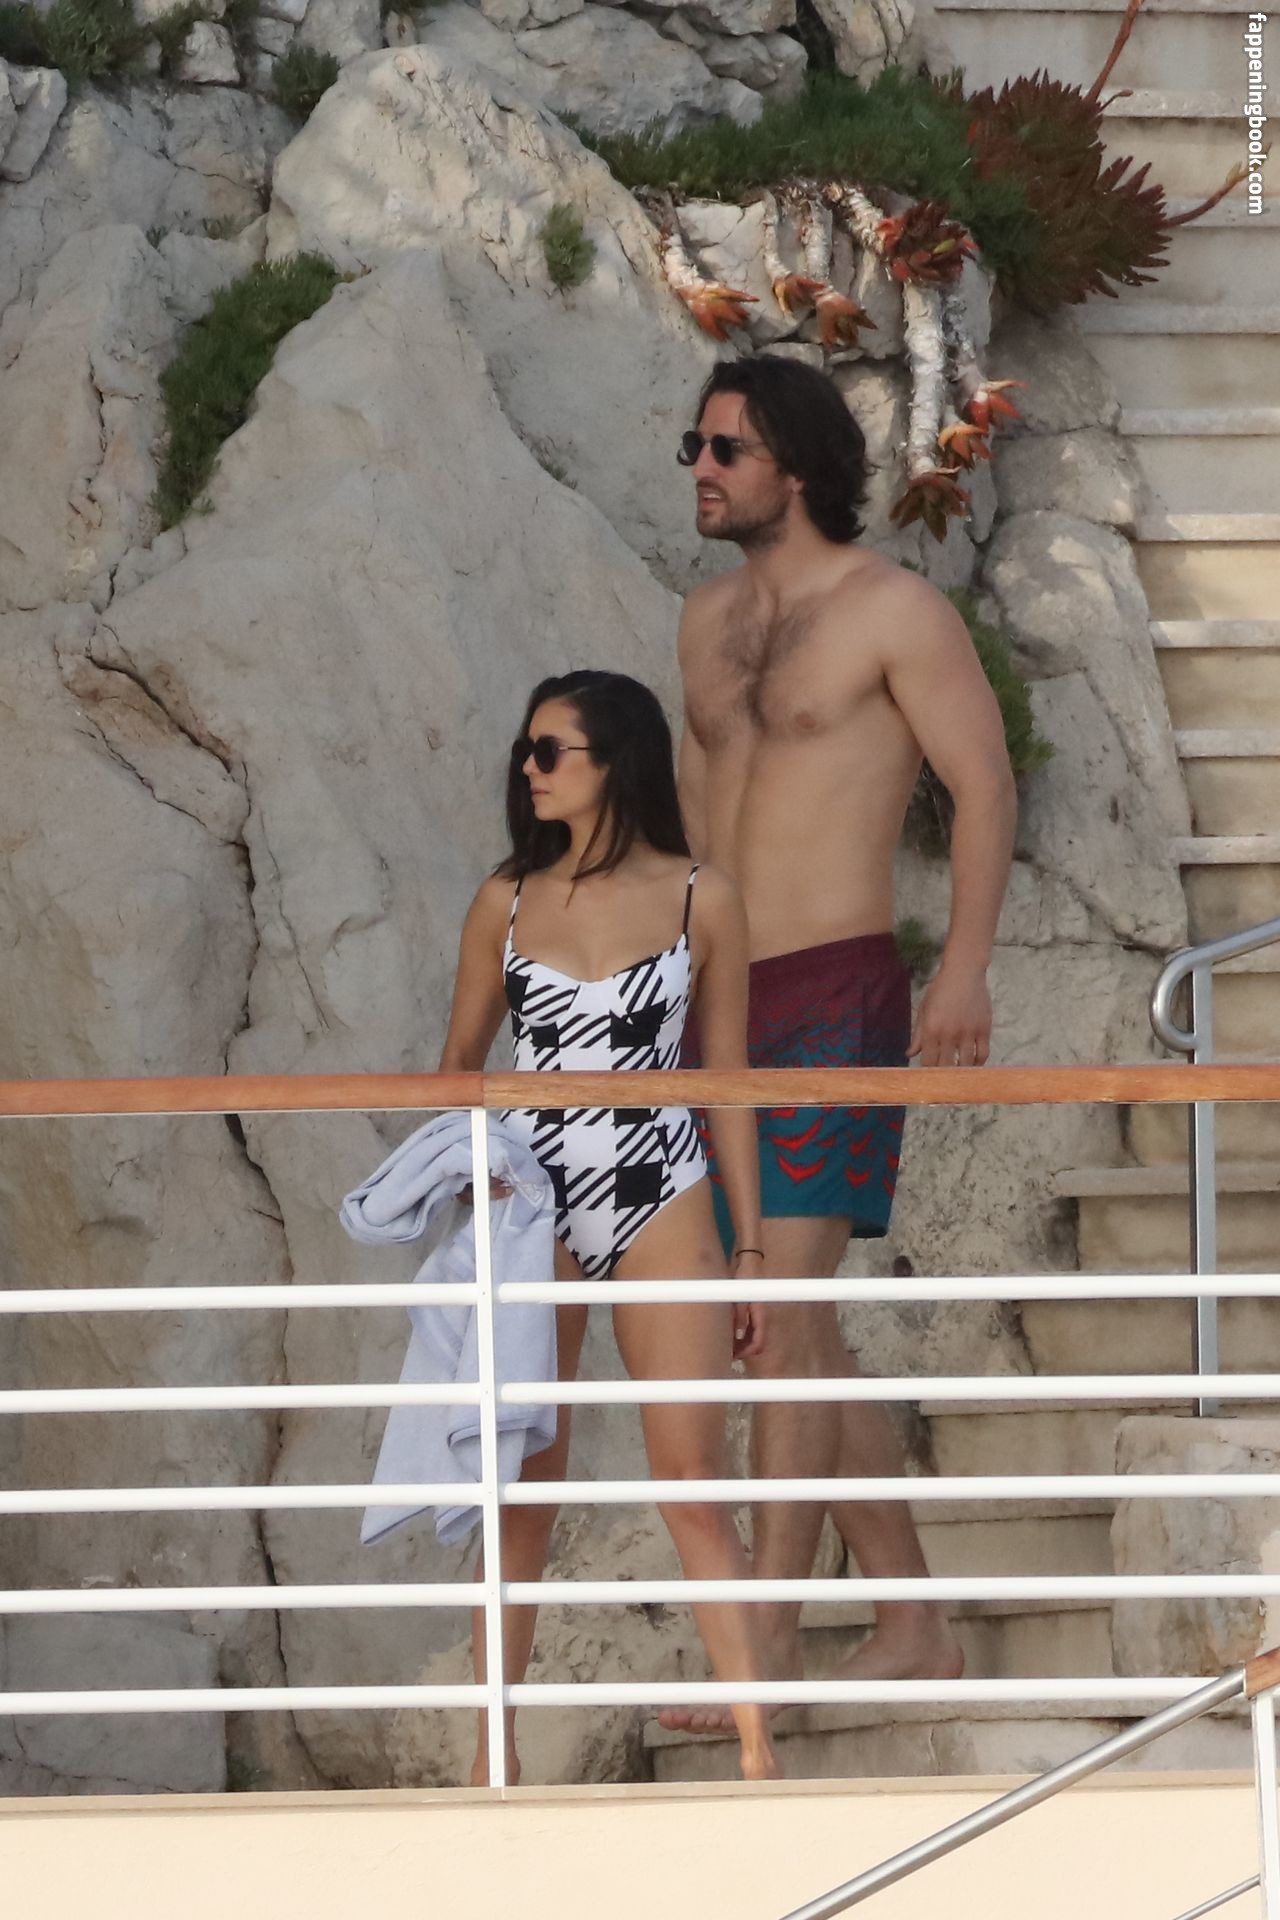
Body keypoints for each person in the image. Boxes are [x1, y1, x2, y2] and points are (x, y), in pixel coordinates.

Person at [662, 354, 1018, 1731]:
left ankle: (761, 1646)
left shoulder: (893, 612)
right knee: (787, 1325)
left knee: (778, 1316)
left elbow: (982, 787)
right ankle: (912, 1624)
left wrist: (963, 970)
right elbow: (694, 831)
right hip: (715, 1003)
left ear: (796, 468)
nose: (700, 468)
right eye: (694, 445)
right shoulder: (702, 622)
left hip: (834, 990)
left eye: (726, 449)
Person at [437, 667, 782, 1786]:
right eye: (525, 750)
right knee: (523, 1492)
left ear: (614, 761)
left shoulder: (701, 897)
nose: (528, 769)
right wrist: (480, 1185)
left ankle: (759, 1752)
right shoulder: (504, 899)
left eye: (551, 751)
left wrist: (748, 1249)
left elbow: (726, 1080)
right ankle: (493, 1761)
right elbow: (458, 1068)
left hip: (663, 1193)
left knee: (691, 1480)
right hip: (534, 1201)